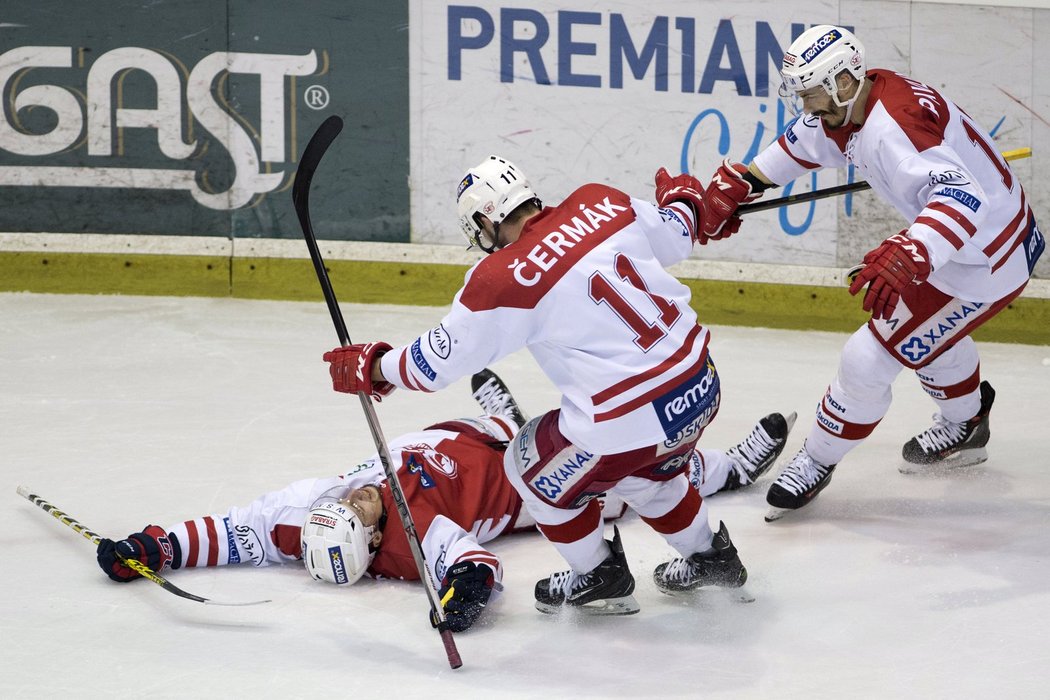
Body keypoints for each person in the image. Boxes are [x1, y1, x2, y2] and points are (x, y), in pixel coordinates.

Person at [323, 155, 793, 616]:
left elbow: (438, 362)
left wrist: (377, 366)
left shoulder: (501, 276)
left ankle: (598, 575)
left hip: (629, 416)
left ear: (486, 219)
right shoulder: (600, 200)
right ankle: (713, 560)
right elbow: (681, 231)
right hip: (700, 384)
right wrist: (686, 202)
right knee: (651, 473)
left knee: (527, 465)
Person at [97, 369, 795, 629]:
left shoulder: (309, 513)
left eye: (351, 501)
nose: (361, 497)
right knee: (635, 475)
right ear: (374, 546)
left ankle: (507, 414)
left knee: (515, 428)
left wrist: (153, 547)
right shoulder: (410, 540)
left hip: (457, 434)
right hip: (519, 486)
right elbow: (475, 566)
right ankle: (729, 467)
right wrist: (462, 598)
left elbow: (227, 533)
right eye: (363, 514)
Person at [696, 25, 1044, 521]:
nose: (806, 104)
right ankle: (967, 425)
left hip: (983, 259)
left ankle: (817, 458)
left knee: (867, 359)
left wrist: (911, 250)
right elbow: (809, 141)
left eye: (811, 92)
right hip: (971, 240)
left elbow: (962, 197)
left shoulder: (891, 127)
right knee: (923, 336)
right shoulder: (861, 97)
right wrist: (748, 181)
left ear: (842, 81)